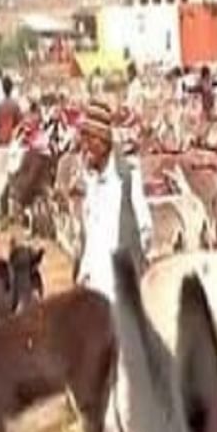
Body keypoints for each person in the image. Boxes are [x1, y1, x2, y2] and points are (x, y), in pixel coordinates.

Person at [75, 99, 153, 296]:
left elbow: (145, 230)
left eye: (89, 140)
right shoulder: (90, 182)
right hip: (93, 291)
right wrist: (84, 272)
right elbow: (91, 236)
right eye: (82, 140)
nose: (84, 148)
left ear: (103, 141)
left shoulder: (127, 178)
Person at [0, 75, 22, 147]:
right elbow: (19, 122)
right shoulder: (15, 105)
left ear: (3, 89)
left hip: (1, 136)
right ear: (11, 88)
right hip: (12, 137)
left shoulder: (0, 105)